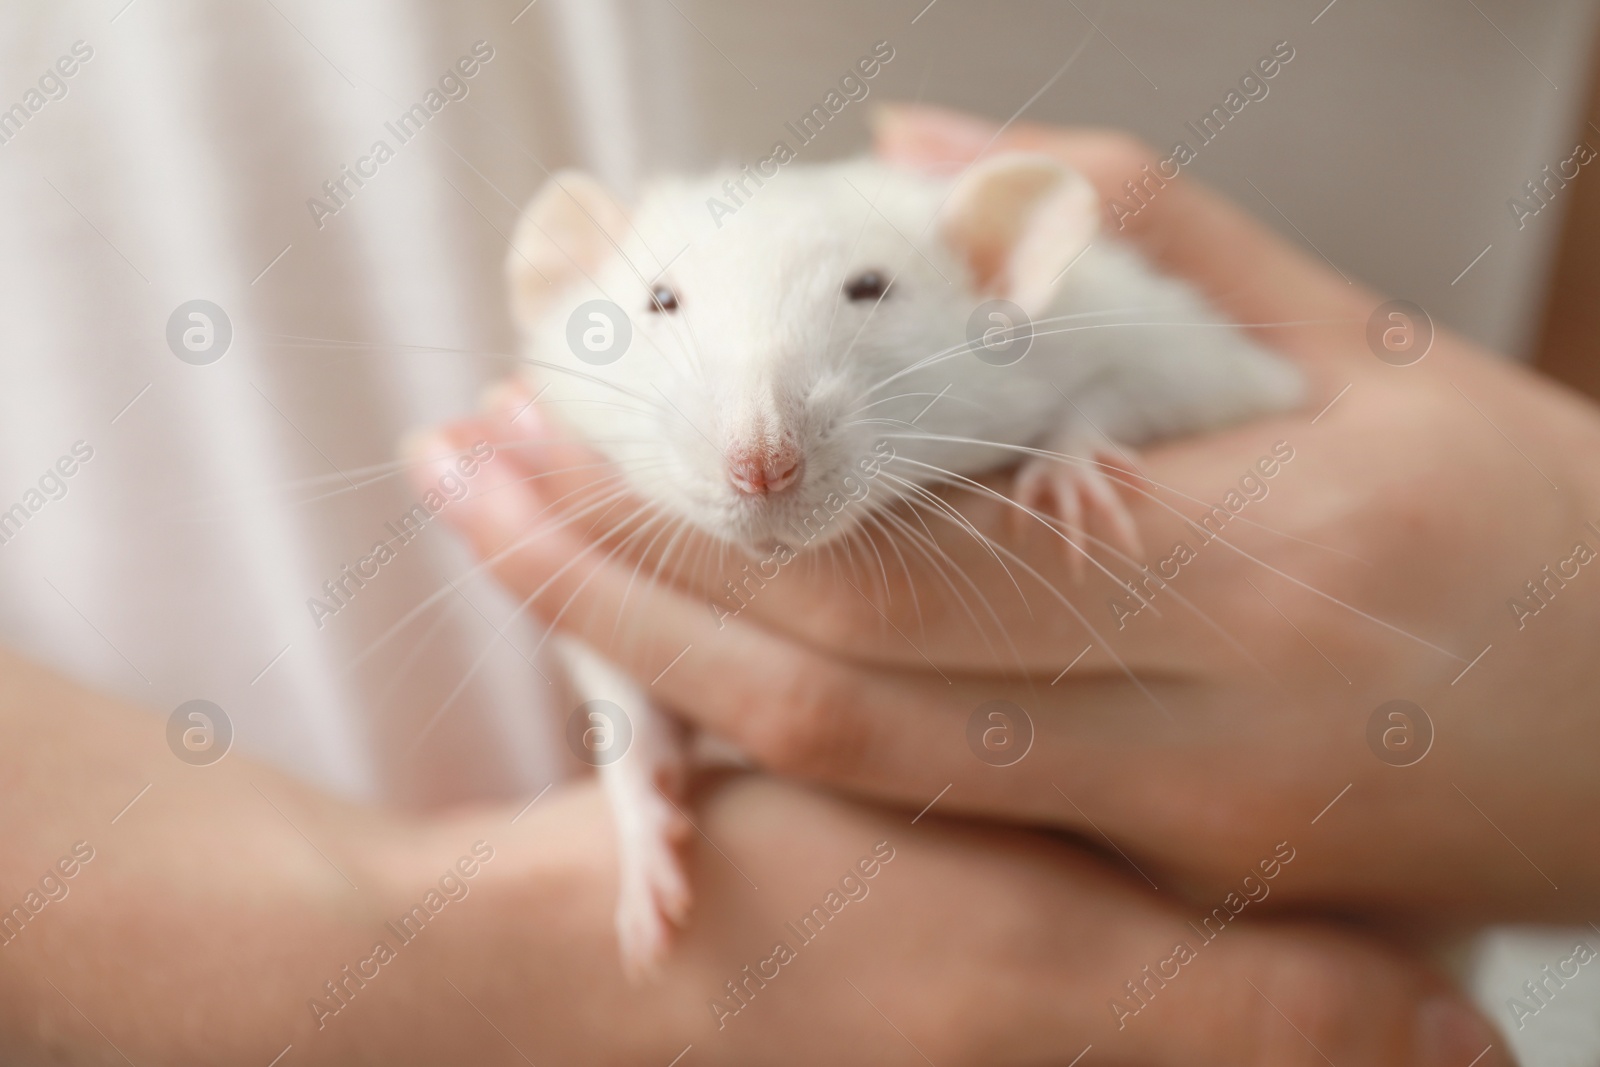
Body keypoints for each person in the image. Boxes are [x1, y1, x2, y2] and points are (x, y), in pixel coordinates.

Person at [2, 2, 1596, 1063]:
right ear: (572, 285)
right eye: (669, 314)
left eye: (866, 305)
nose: (759, 460)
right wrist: (426, 962)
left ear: (997, 267)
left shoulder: (1028, 318)